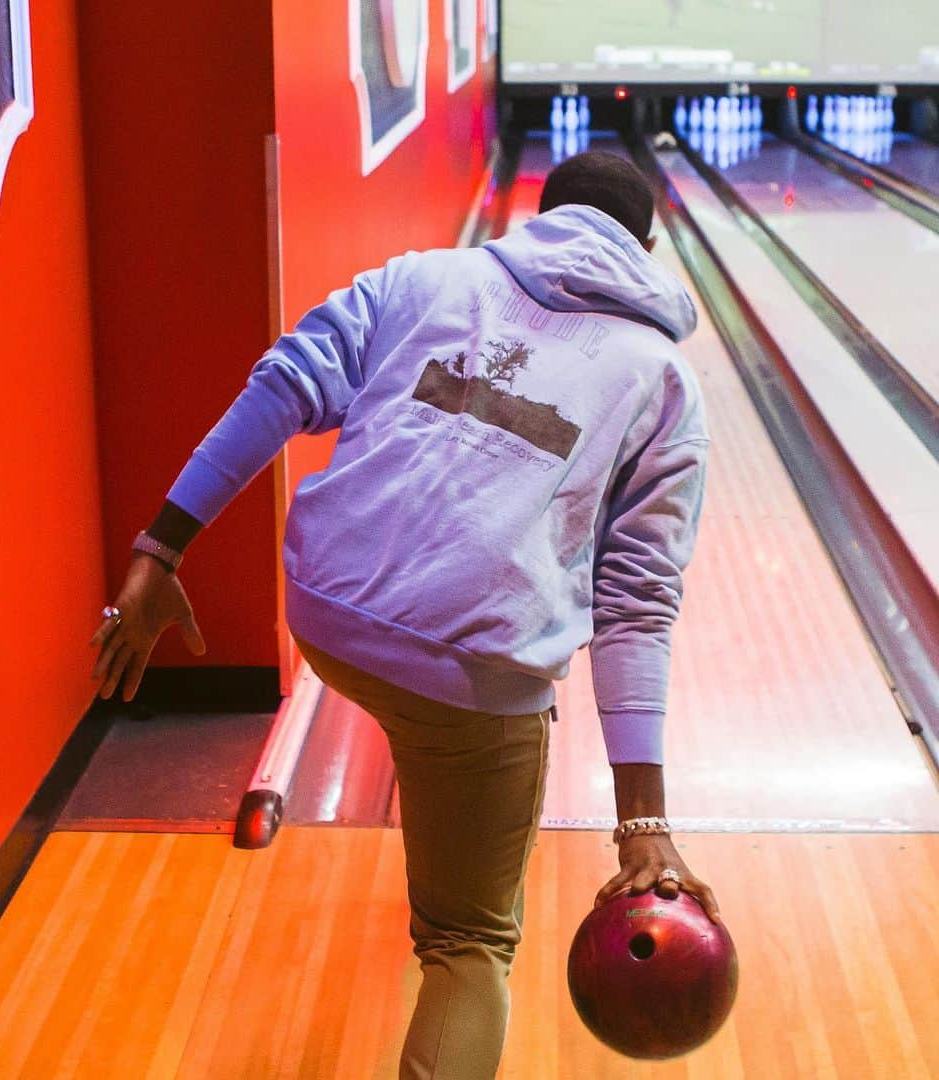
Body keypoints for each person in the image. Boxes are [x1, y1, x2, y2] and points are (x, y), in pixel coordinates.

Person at [89, 150, 720, 1079]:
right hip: (474, 674)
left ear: (542, 216)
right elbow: (636, 602)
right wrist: (642, 825)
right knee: (468, 948)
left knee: (421, 717)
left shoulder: (424, 275)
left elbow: (283, 383)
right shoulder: (663, 381)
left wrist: (160, 547)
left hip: (329, 614)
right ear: (648, 248)